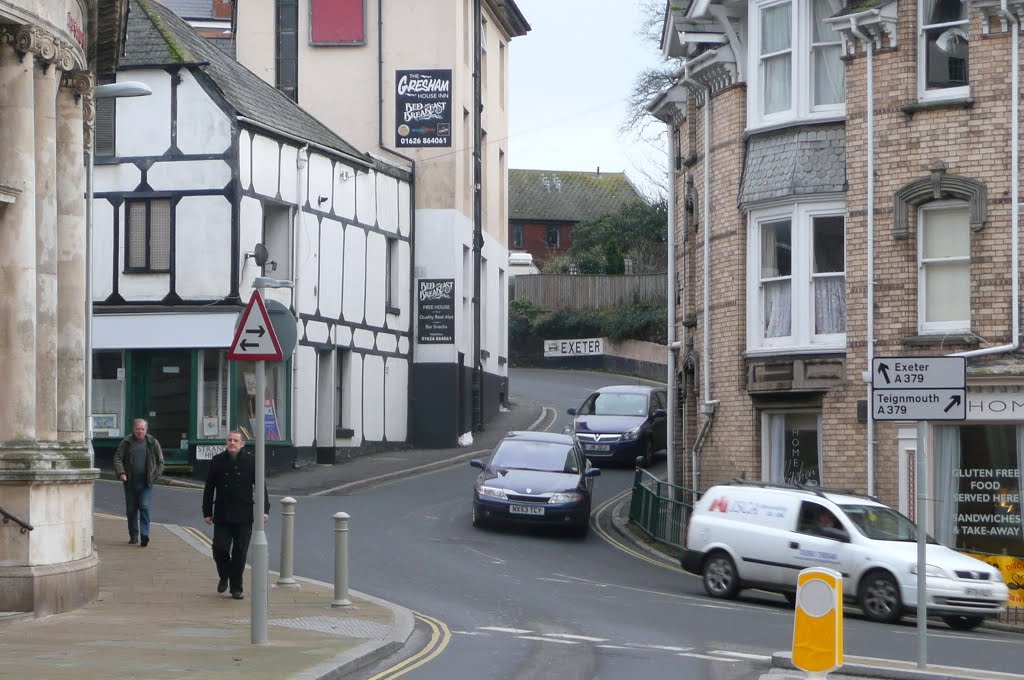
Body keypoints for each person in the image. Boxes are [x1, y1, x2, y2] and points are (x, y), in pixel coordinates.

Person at [202, 431, 270, 600]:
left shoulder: (251, 461)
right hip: (223, 513)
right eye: (229, 440)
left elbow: (261, 487)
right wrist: (207, 512)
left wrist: (265, 509)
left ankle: (236, 588)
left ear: (242, 443)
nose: (232, 443)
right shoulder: (217, 461)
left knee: (240, 552)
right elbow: (209, 488)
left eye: (235, 440)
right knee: (219, 548)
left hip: (243, 513)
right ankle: (224, 575)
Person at [112, 418, 165, 547]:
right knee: (131, 510)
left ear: (146, 430)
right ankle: (134, 535)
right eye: (137, 429)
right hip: (130, 481)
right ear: (133, 429)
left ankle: (145, 535)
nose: (140, 431)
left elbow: (161, 462)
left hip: (146, 482)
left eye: (142, 429)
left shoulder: (152, 442)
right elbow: (117, 458)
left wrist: (154, 475)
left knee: (145, 507)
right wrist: (121, 473)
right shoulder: (126, 442)